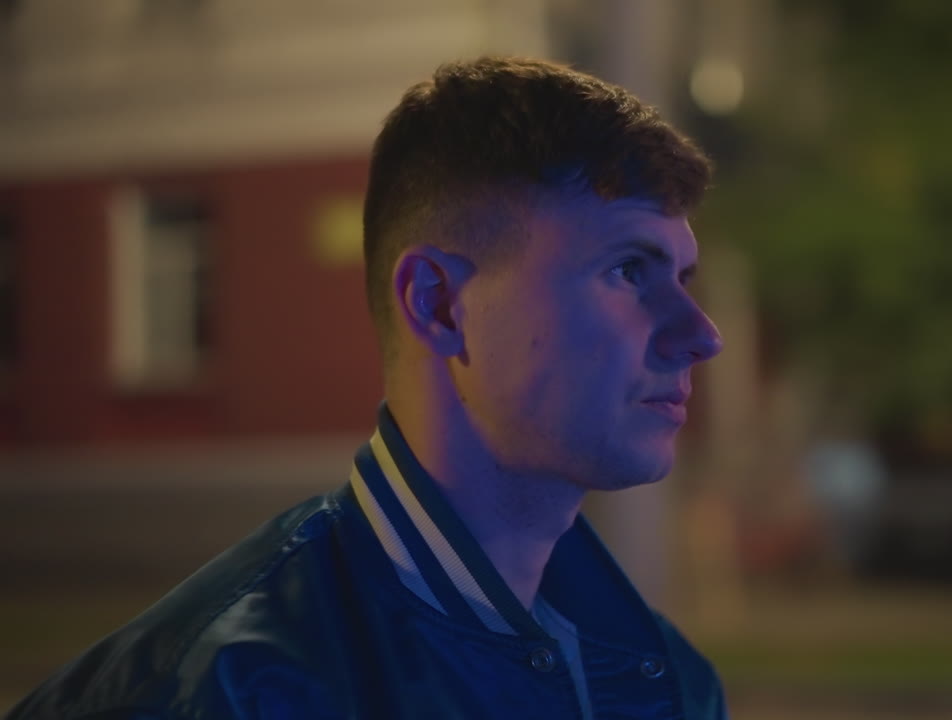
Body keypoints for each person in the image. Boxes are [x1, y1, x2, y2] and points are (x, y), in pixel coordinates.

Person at [6, 57, 727, 719]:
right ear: (439, 305)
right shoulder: (220, 693)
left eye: (682, 278)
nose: (700, 333)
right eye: (628, 270)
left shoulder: (667, 678)